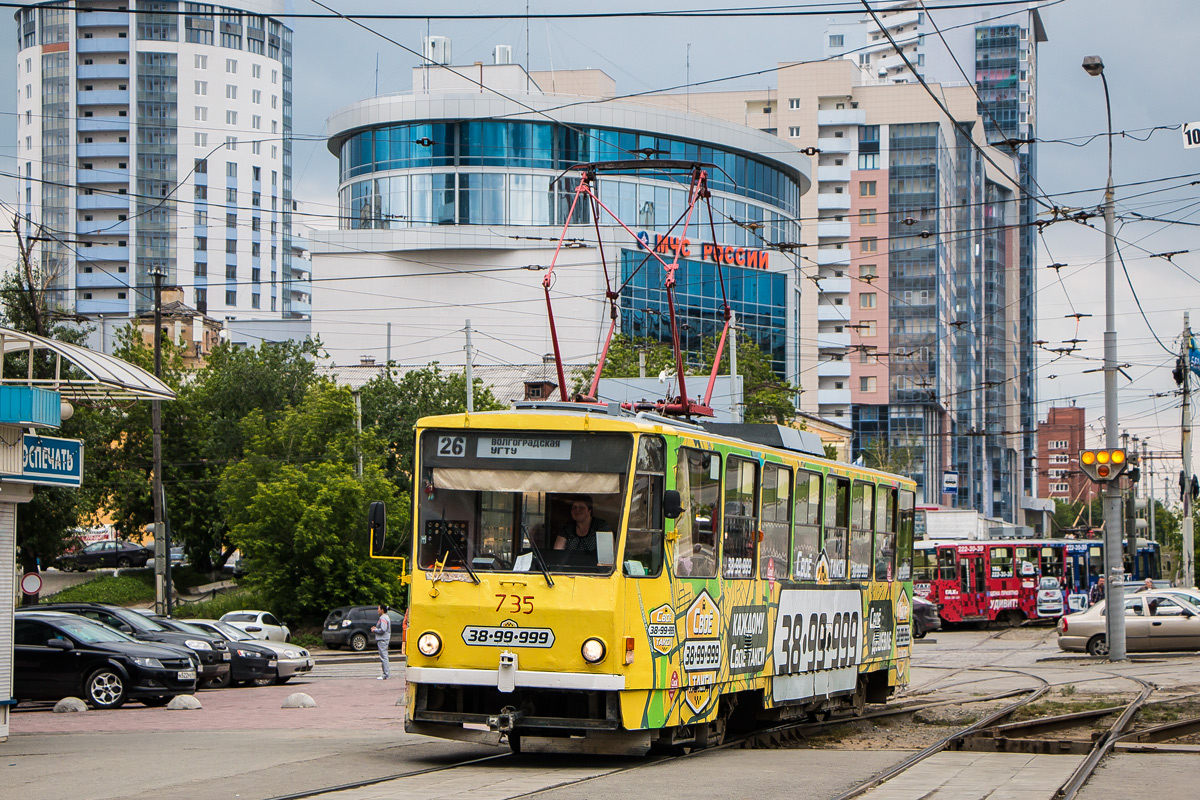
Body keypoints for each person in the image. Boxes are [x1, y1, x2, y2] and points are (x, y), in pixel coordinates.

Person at [371, 604, 392, 680]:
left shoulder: (383, 618)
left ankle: (385, 674)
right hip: (385, 639)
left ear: (382, 610)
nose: (378, 610)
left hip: (382, 639)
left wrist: (375, 630)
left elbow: (383, 629)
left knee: (384, 657)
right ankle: (386, 674)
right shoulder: (386, 617)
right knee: (384, 656)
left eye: (378, 609)